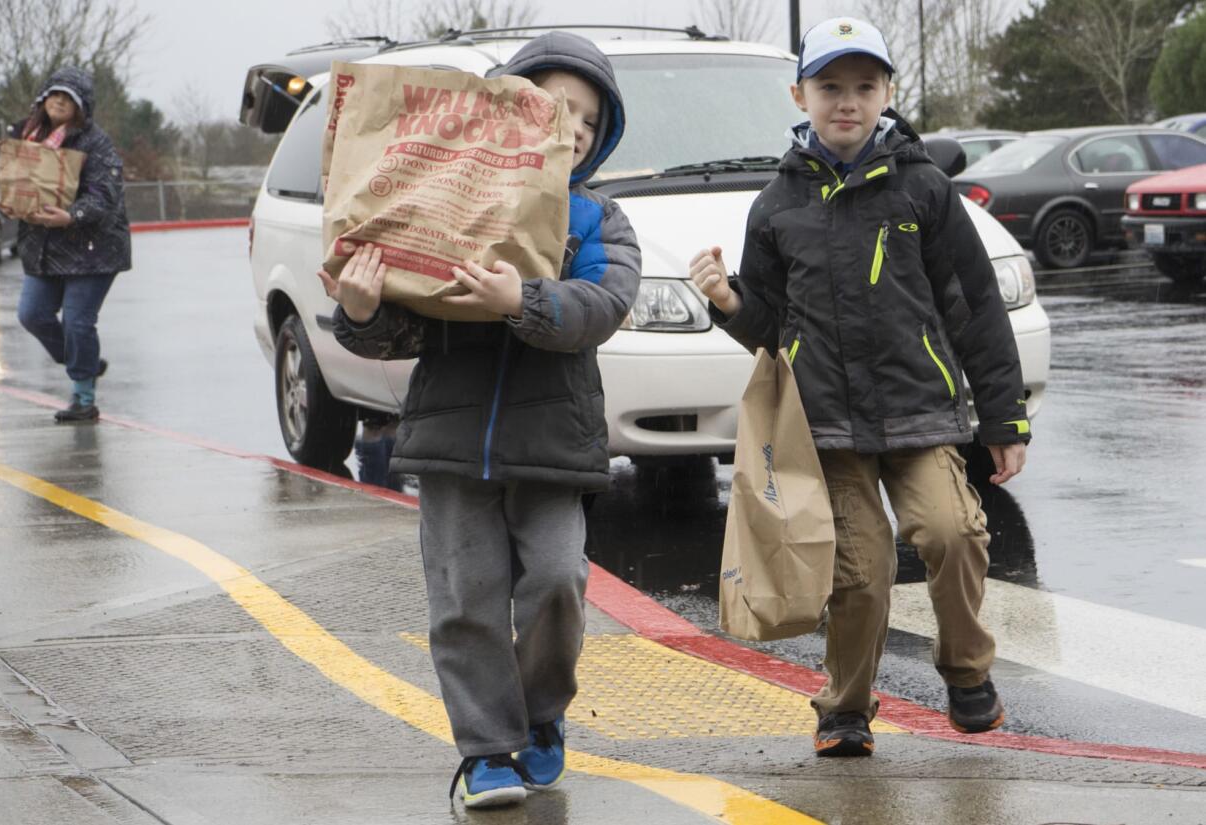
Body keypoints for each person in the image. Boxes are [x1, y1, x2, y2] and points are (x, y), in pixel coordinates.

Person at [689, 17, 1029, 757]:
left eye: (864, 86)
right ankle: (844, 708)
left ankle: (968, 674)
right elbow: (770, 328)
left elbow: (974, 307)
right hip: (828, 426)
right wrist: (728, 301)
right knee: (861, 569)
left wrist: (1004, 418)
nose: (847, 101)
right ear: (800, 93)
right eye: (831, 86)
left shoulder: (925, 190)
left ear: (888, 93)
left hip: (920, 414)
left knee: (953, 531)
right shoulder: (776, 204)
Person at [321, 33, 640, 808]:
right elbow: (401, 329)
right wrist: (359, 310)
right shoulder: (442, 196)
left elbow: (603, 306)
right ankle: (488, 748)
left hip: (552, 444)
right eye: (553, 103)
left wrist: (523, 300)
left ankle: (540, 717)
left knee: (559, 581)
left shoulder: (596, 217)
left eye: (589, 120)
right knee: (465, 598)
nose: (571, 124)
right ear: (506, 106)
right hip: (451, 441)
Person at [2, 66, 131, 422]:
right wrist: (6, 203)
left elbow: (105, 195)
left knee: (77, 323)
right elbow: (10, 182)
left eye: (69, 97)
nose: (59, 100)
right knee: (32, 314)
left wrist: (71, 215)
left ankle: (84, 398)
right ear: (42, 100)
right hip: (44, 245)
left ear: (82, 106)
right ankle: (82, 360)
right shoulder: (25, 137)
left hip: (93, 248)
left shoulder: (95, 143)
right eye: (54, 94)